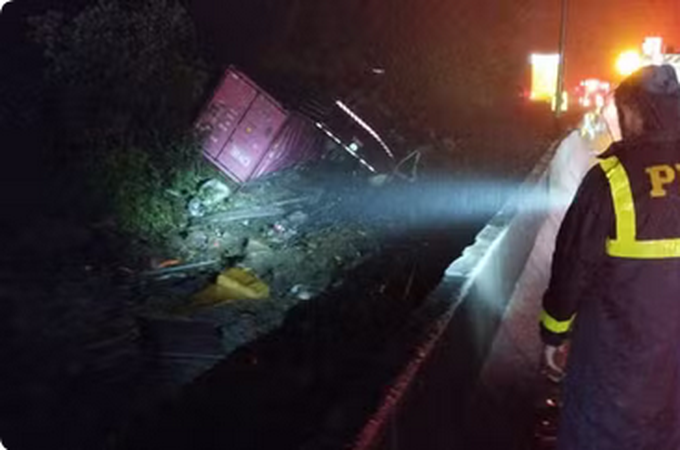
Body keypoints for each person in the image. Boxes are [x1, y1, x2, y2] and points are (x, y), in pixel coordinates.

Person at [540, 64, 680, 450]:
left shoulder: (611, 179)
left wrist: (554, 333)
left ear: (633, 113)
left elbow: (571, 264)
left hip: (613, 363)